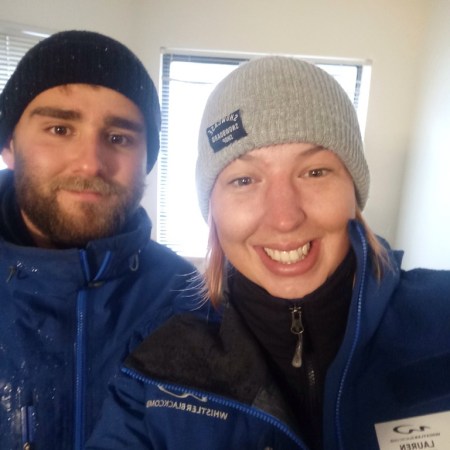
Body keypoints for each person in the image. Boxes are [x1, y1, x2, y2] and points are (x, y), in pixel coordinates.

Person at [85, 56, 450, 450]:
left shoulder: (441, 317)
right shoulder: (158, 359)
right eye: (244, 179)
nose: (284, 218)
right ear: (213, 209)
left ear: (353, 190)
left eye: (315, 172)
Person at [0, 30, 205, 450]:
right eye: (60, 128)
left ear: (146, 161)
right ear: (9, 146)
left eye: (118, 138)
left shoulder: (188, 302)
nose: (91, 164)